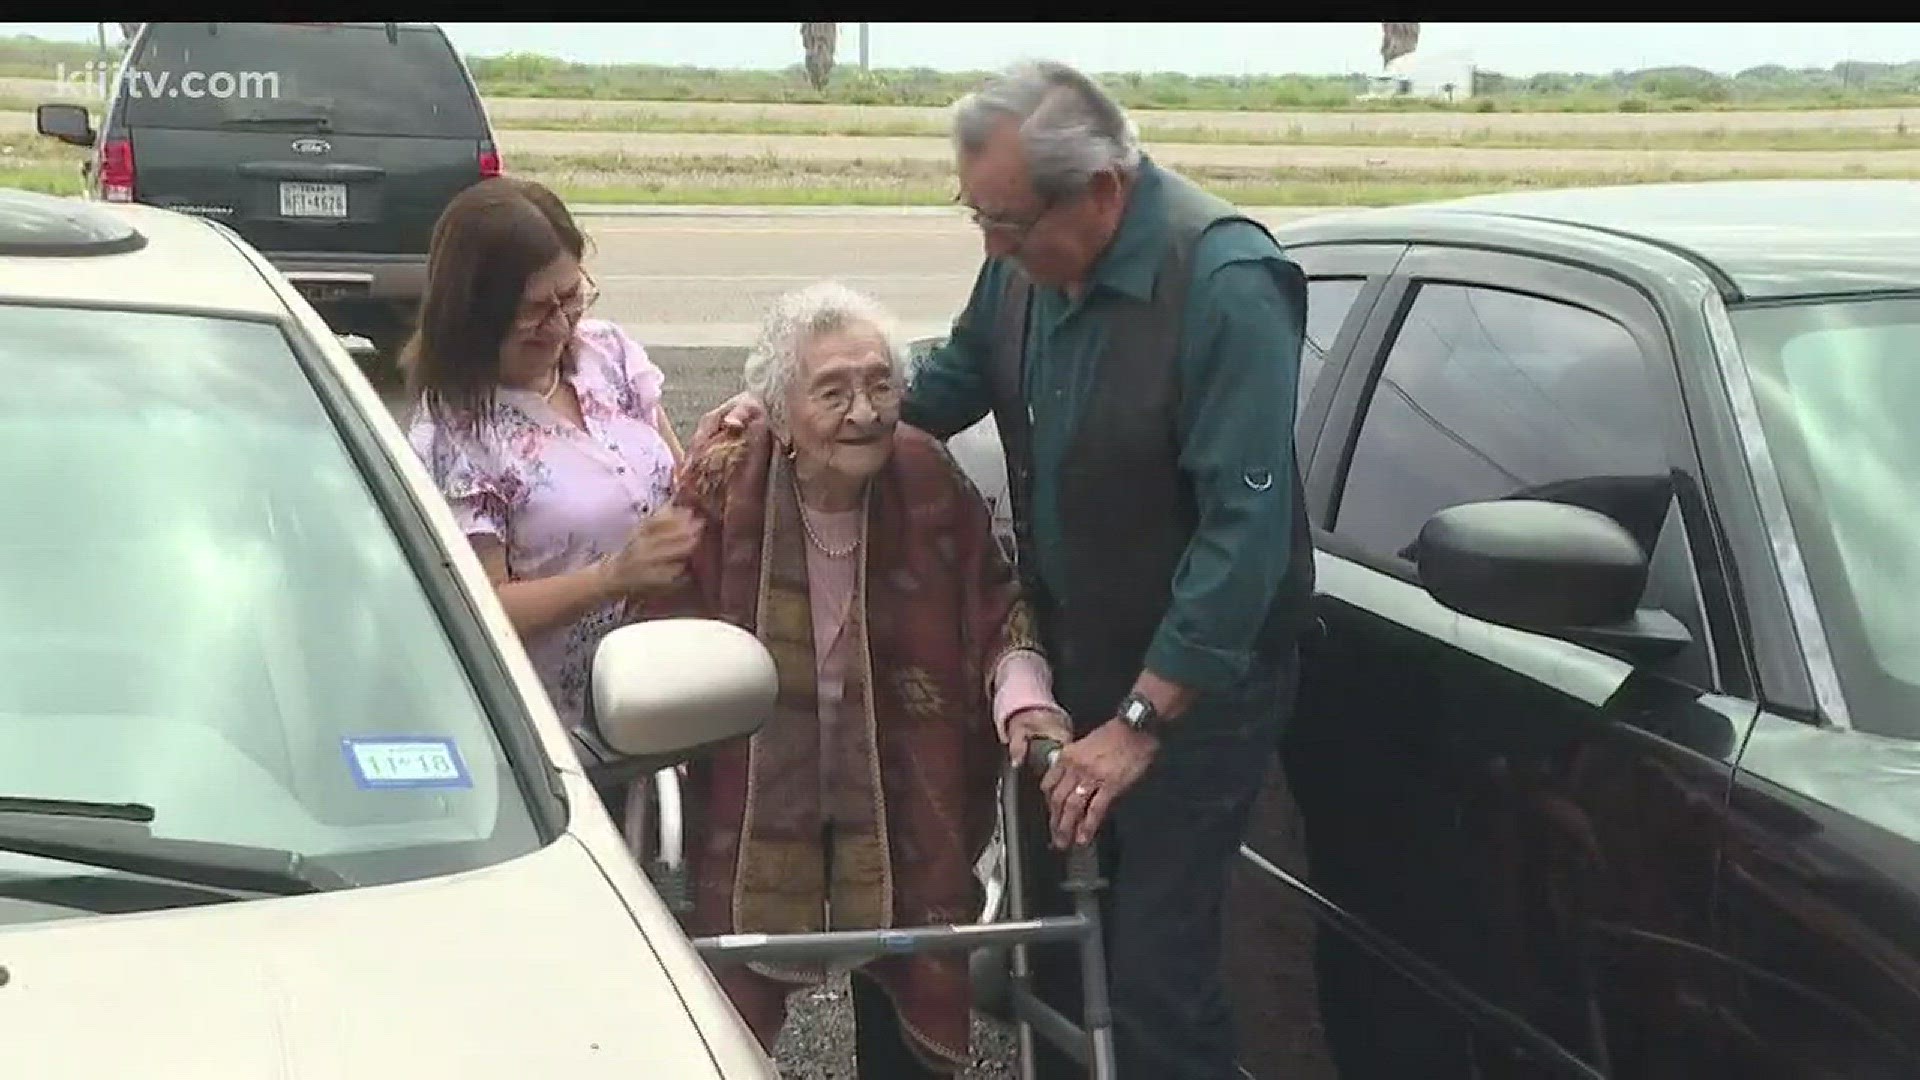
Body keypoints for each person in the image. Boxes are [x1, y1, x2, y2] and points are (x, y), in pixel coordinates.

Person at [691, 60, 1313, 1080]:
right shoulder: (1023, 263)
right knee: (1058, 964)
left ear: (1102, 191)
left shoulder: (1225, 284)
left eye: (1009, 224)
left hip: (1194, 689)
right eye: (977, 218)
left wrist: (1142, 725)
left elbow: (1243, 536)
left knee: (1156, 972)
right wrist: (788, 413)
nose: (990, 246)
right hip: (1073, 663)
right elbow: (945, 383)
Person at [646, 281, 1075, 1076]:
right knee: (725, 1031)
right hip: (754, 807)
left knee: (905, 1009)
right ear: (779, 414)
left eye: (881, 384)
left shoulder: (928, 476)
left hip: (901, 795)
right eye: (833, 391)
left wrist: (1025, 700)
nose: (867, 411)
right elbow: (658, 621)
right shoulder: (727, 477)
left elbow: (995, 607)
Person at [402, 176, 699, 780]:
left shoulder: (608, 355)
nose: (561, 326)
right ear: (476, 312)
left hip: (666, 687)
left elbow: (680, 477)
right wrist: (610, 578)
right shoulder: (456, 431)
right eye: (534, 311)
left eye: (571, 298)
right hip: (557, 735)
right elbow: (481, 607)